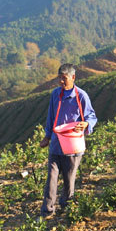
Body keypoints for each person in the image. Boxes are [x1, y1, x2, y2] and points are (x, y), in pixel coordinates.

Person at [39, 63, 97, 217]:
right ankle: (47, 210)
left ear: (73, 77)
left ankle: (66, 207)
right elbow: (51, 117)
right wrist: (47, 137)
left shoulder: (81, 96)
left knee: (69, 179)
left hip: (72, 146)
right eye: (59, 78)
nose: (61, 81)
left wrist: (86, 124)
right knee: (51, 177)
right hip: (56, 144)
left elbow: (91, 117)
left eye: (64, 78)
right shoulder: (55, 94)